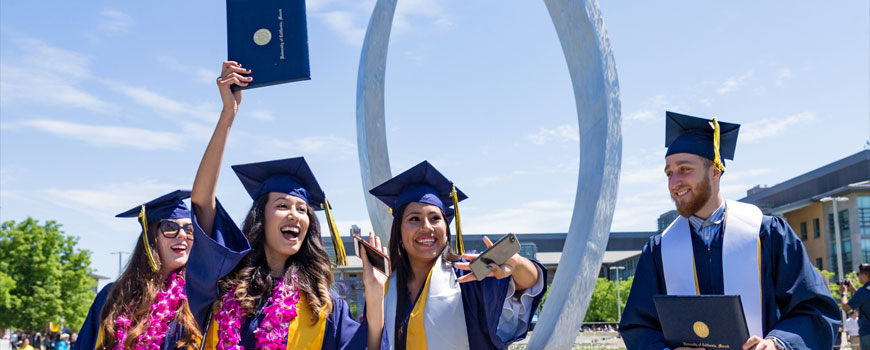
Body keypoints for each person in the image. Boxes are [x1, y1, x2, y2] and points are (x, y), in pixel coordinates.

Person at [188, 61, 372, 350]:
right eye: (283, 205)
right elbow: (201, 202)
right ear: (261, 218)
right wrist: (228, 114)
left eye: (302, 210)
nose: (295, 215)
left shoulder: (322, 304)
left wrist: (375, 298)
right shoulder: (224, 285)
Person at [618, 111, 840, 350]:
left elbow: (814, 310)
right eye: (669, 173)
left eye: (684, 169)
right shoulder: (659, 250)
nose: (674, 183)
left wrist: (778, 344)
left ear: (715, 171)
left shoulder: (767, 234)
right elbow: (638, 325)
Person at [359, 160, 547, 350]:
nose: (426, 227)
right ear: (398, 232)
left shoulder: (466, 274)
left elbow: (529, 284)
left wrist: (517, 264)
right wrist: (374, 298)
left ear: (446, 228)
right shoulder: (385, 286)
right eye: (414, 219)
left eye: (435, 218)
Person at [74, 190, 203, 350]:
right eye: (170, 227)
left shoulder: (199, 298)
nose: (183, 234)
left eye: (190, 229)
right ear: (150, 238)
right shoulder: (113, 297)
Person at [841, 264, 870, 349]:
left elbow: (846, 306)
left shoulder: (862, 292)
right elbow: (865, 298)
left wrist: (844, 293)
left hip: (867, 333)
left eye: (859, 274)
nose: (858, 277)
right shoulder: (865, 291)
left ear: (864, 275)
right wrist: (853, 289)